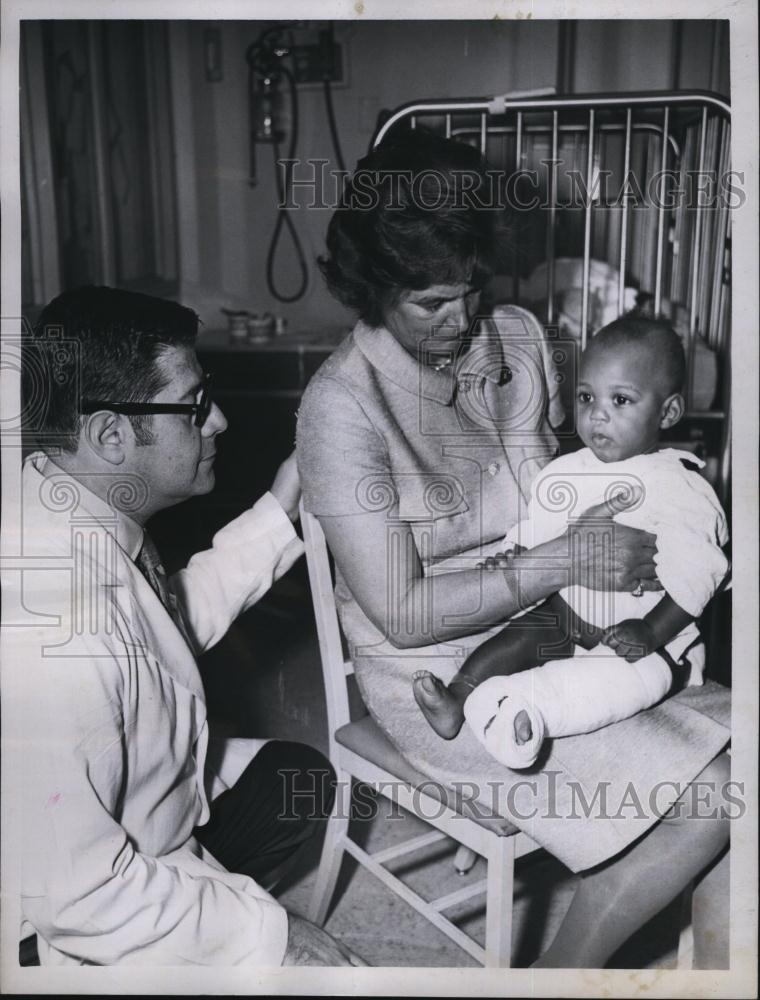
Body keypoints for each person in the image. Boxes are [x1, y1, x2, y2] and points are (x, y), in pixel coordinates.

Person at [296, 130, 731, 968]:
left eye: (472, 288)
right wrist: (567, 561)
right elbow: (403, 611)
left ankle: (716, 979)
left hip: (563, 616)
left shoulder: (517, 336)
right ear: (373, 290)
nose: (462, 320)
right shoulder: (338, 409)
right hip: (434, 669)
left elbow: (585, 474)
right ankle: (559, 978)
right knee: (711, 796)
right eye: (430, 302)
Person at [8, 286, 366, 968]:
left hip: (144, 819)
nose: (220, 422)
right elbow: (80, 898)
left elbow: (162, 625)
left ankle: (200, 918)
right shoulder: (56, 627)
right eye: (196, 406)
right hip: (59, 924)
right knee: (301, 958)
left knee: (300, 780)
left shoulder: (72, 511)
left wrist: (282, 503)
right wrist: (274, 938)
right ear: (111, 434)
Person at [411, 316, 729, 768]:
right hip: (565, 614)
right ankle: (458, 697)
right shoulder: (566, 470)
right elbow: (543, 525)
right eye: (586, 397)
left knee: (618, 684)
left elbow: (702, 573)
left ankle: (531, 712)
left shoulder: (679, 486)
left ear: (669, 412)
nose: (597, 413)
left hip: (639, 639)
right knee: (518, 636)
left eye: (621, 400)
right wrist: (517, 552)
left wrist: (653, 630)